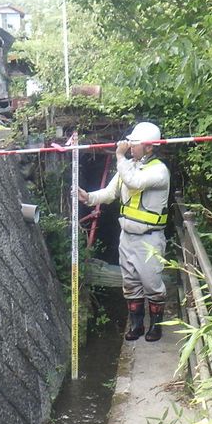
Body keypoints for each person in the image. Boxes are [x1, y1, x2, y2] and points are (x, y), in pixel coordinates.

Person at [78, 122, 170, 341]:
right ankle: (136, 326)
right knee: (130, 284)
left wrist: (119, 157)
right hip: (127, 236)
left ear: (149, 147)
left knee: (152, 284)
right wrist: (89, 197)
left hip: (149, 238)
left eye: (135, 143)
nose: (130, 147)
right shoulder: (128, 167)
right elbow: (110, 193)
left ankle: (155, 327)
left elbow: (134, 183)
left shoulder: (159, 170)